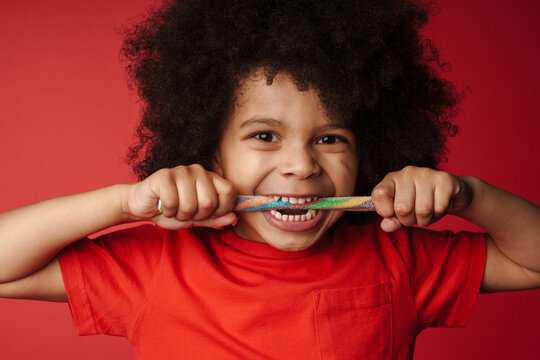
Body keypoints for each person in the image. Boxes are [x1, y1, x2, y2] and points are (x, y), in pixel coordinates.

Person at [1, 0, 539, 358]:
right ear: (209, 151)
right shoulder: (155, 263)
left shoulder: (399, 258)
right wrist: (126, 202)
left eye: (330, 138)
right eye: (264, 136)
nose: (301, 165)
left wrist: (468, 194)